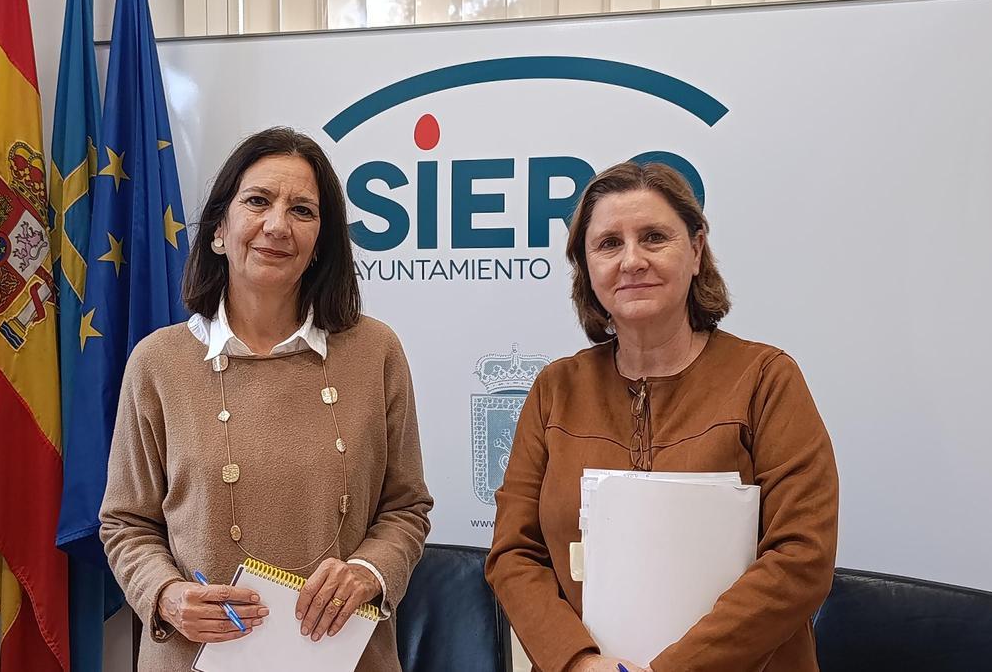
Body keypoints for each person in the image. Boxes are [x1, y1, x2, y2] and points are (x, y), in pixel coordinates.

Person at [99, 127, 433, 672]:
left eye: (302, 210)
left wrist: (368, 573)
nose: (277, 225)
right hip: (192, 657)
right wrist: (164, 594)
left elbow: (406, 508)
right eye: (258, 201)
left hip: (345, 657)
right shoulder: (158, 362)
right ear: (218, 230)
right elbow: (125, 523)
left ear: (321, 242)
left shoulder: (376, 352)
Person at [486, 161, 838, 672]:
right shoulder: (554, 389)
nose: (631, 260)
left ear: (696, 251)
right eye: (608, 244)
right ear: (586, 267)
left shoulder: (766, 378)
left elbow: (801, 557)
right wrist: (577, 661)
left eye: (653, 237)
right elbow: (514, 554)